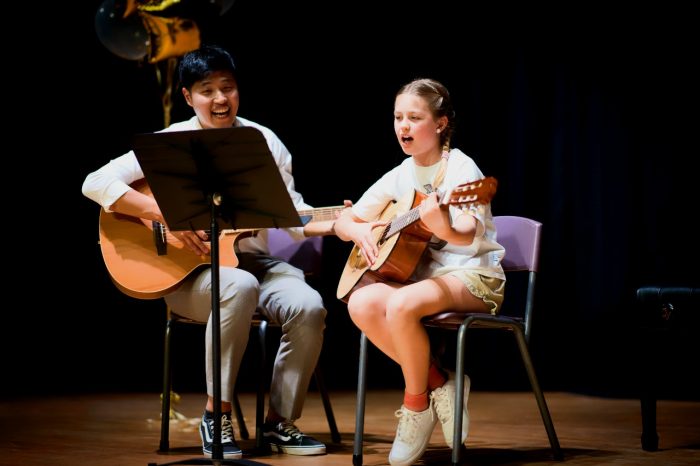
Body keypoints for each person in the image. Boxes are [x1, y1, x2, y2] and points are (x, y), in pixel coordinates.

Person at [82, 45, 334, 459]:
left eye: (228, 88)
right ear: (187, 96)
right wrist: (161, 214)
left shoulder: (264, 141)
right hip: (187, 275)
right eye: (207, 90)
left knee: (308, 306)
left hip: (253, 261)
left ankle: (278, 423)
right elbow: (95, 182)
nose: (220, 99)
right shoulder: (170, 143)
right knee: (238, 285)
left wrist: (341, 222)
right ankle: (216, 415)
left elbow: (291, 214)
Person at [333, 78, 506, 466]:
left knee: (400, 305)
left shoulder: (461, 170)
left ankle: (415, 407)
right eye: (398, 118)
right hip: (425, 284)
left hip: (475, 276)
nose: (403, 127)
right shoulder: (401, 173)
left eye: (414, 117)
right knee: (360, 302)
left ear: (441, 123)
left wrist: (439, 221)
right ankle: (440, 383)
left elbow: (463, 236)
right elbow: (345, 220)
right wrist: (359, 228)